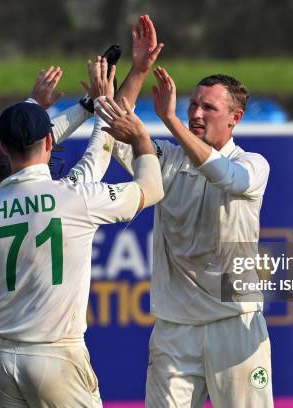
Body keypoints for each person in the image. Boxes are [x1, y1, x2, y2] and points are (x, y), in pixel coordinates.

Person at [0, 93, 163, 407]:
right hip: (54, 356)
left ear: (3, 147)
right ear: (50, 143)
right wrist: (140, 139)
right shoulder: (74, 197)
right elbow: (152, 188)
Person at [99, 15, 273, 407]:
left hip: (235, 322)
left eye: (208, 108)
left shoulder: (253, 163)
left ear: (235, 119)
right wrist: (139, 70)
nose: (196, 113)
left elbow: (226, 177)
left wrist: (170, 119)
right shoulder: (167, 158)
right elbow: (114, 124)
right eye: (193, 104)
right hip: (175, 328)